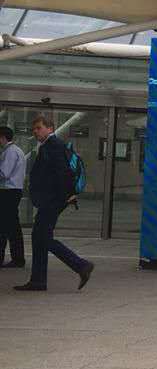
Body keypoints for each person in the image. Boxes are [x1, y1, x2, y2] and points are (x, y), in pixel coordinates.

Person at [14, 114, 92, 293]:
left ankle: (81, 265)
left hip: (53, 200)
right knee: (39, 237)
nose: (35, 132)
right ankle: (38, 280)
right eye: (34, 129)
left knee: (42, 237)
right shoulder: (49, 145)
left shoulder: (53, 145)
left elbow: (63, 173)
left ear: (50, 128)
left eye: (39, 128)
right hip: (52, 199)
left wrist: (67, 195)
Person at [0, 125, 25, 269]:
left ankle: (16, 258)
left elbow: (4, 173)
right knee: (12, 226)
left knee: (5, 225)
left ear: (3, 137)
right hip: (13, 191)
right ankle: (18, 258)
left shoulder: (10, 152)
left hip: (8, 192)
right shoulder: (16, 150)